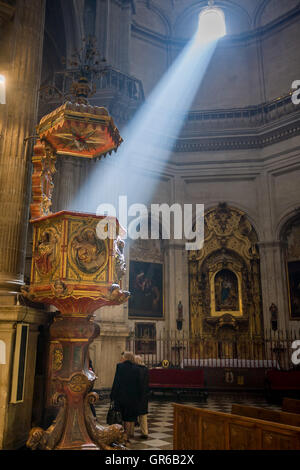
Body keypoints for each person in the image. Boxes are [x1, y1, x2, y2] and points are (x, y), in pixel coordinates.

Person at [110, 351, 141, 442]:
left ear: (126, 357)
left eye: (123, 356)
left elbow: (116, 381)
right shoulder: (136, 368)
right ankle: (126, 437)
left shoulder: (120, 366)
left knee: (121, 416)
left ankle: (121, 436)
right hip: (132, 397)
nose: (122, 358)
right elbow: (138, 384)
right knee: (128, 417)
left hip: (121, 396)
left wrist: (112, 395)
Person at [135, 355, 149, 439]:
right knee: (143, 415)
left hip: (136, 394)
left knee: (132, 413)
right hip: (144, 394)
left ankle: (130, 433)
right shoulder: (146, 369)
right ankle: (145, 432)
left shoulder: (136, 370)